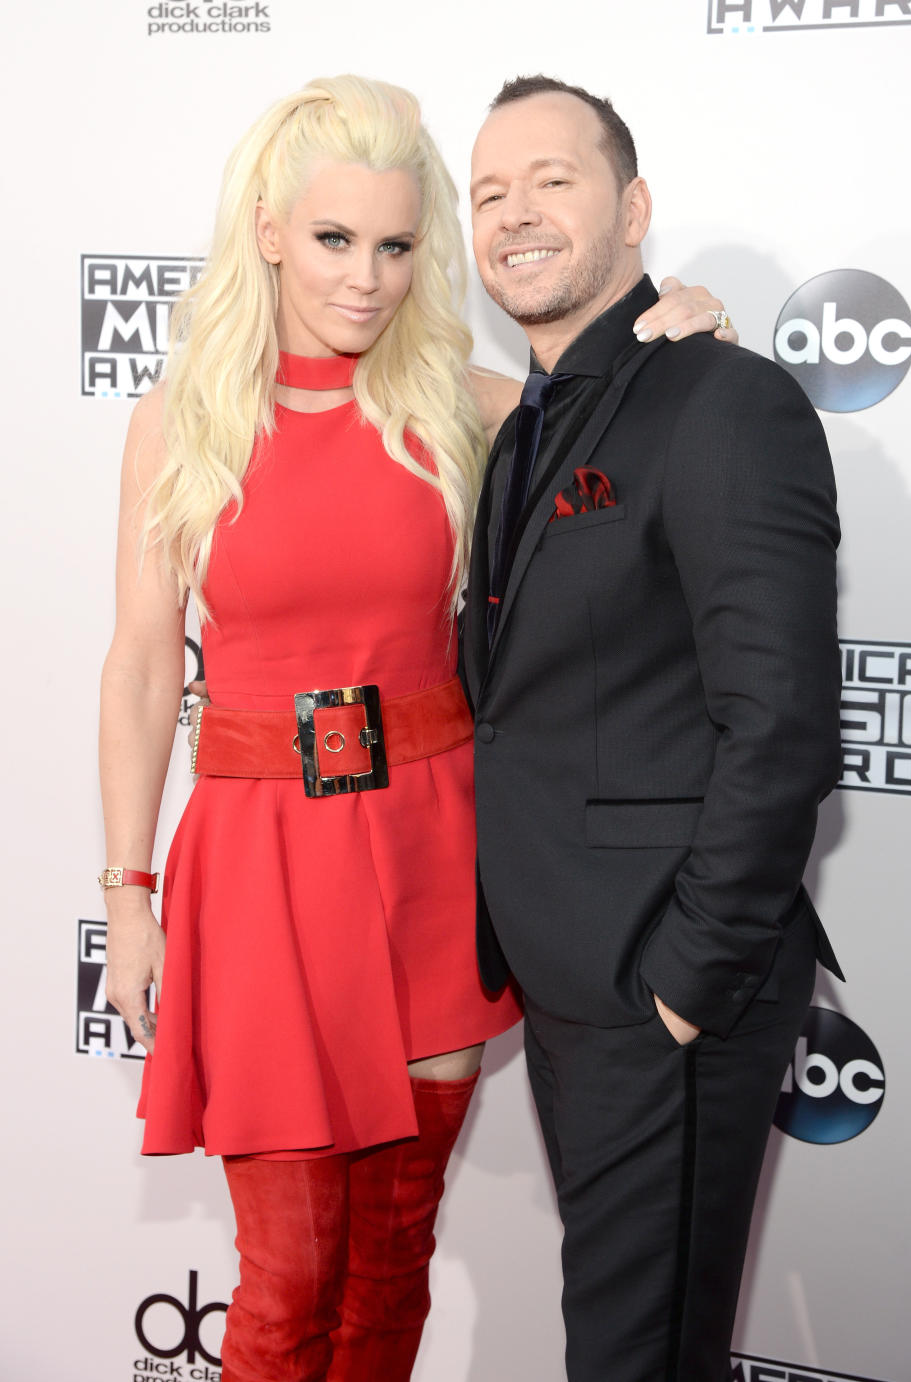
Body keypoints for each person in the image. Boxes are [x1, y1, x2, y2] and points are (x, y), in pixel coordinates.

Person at [99, 74, 734, 1382]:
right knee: (285, 1284)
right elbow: (145, 664)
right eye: (337, 240)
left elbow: (631, 411)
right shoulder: (181, 425)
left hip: (430, 861)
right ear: (269, 227)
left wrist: (683, 326)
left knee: (391, 1269)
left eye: (396, 246)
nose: (369, 278)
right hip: (260, 872)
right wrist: (129, 887)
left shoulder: (464, 403)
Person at [462, 75, 844, 1382]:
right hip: (567, 978)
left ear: (633, 210)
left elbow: (782, 723)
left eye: (551, 181)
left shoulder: (724, 402)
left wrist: (683, 987)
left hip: (657, 986)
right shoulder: (525, 421)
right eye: (490, 193)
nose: (516, 215)